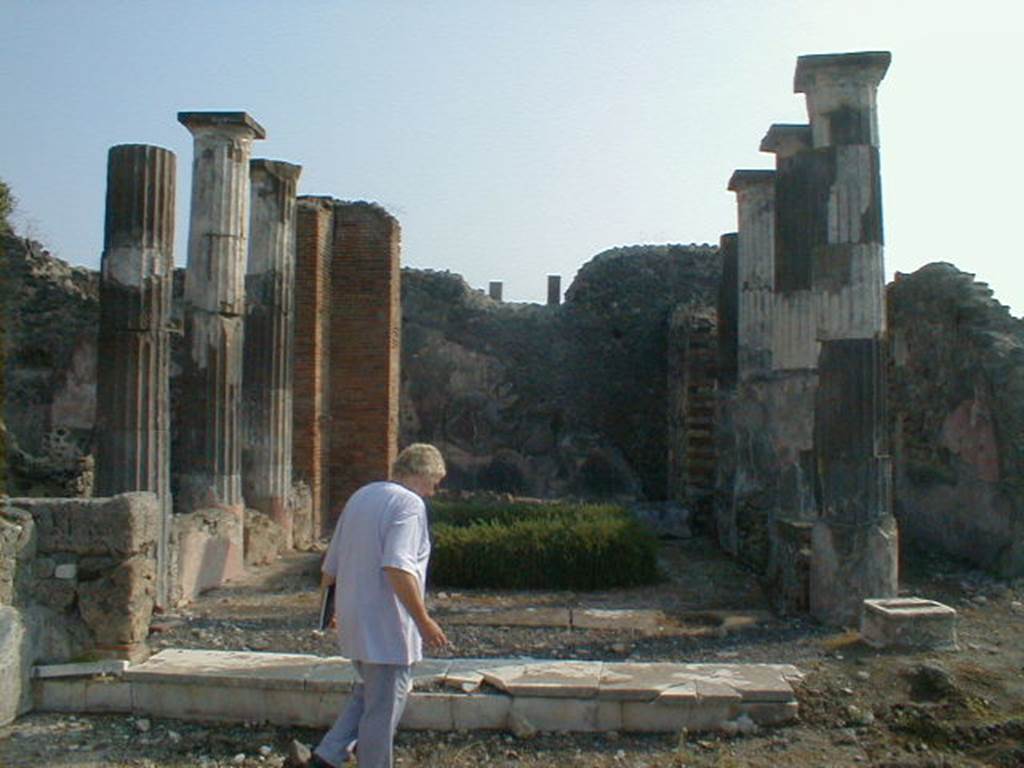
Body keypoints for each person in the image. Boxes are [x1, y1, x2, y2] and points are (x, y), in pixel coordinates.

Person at [309, 443, 450, 768]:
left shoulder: (363, 496)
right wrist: (424, 621)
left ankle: (326, 757)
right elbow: (397, 567)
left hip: (355, 619)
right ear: (421, 474)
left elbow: (330, 568)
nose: (433, 491)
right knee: (382, 712)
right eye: (434, 482)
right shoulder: (409, 504)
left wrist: (329, 612)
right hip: (388, 626)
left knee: (368, 696)